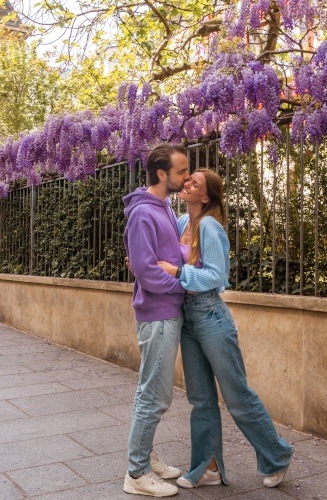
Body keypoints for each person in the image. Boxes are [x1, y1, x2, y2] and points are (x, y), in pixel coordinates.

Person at [157, 168, 293, 489]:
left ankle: (277, 455)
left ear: (205, 197)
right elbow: (163, 258)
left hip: (211, 316)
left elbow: (215, 276)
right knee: (200, 398)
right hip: (188, 318)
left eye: (194, 183)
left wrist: (176, 272)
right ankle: (209, 467)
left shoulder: (210, 227)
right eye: (187, 179)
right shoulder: (180, 224)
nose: (186, 183)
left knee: (236, 395)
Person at [122, 143, 190, 497]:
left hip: (166, 311)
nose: (187, 176)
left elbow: (164, 254)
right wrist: (184, 284)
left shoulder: (162, 206)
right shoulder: (142, 213)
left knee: (149, 390)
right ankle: (136, 473)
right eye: (181, 171)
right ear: (162, 174)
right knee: (156, 395)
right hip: (158, 313)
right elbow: (147, 271)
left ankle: (144, 456)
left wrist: (181, 259)